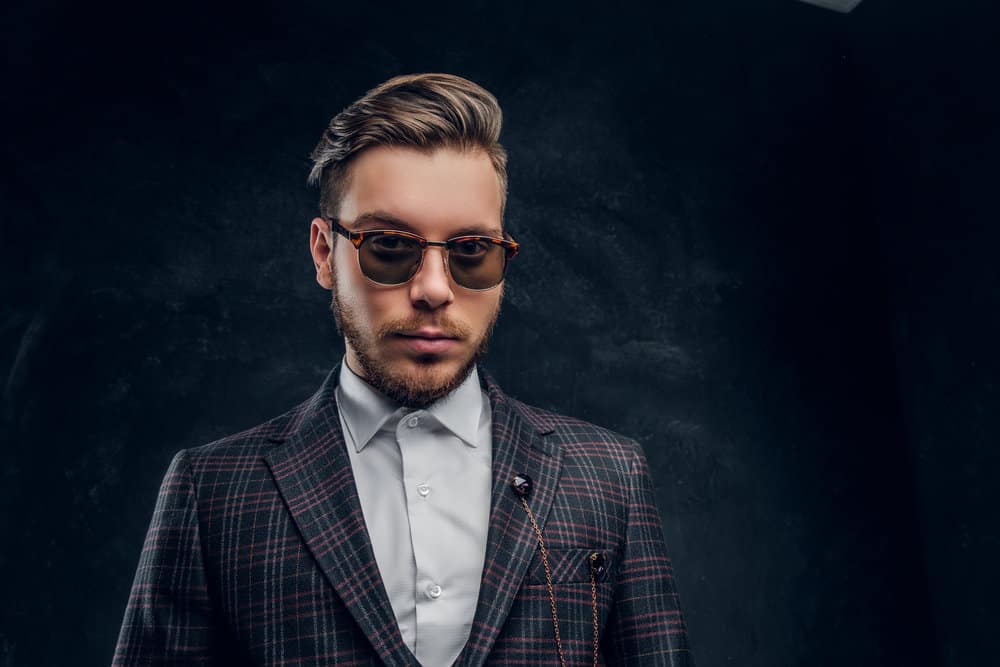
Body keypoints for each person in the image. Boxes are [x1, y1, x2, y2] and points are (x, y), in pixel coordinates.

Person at [112, 73, 692, 666]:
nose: (435, 289)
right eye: (390, 246)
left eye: (470, 250)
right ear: (323, 253)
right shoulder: (213, 493)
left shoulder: (608, 476)